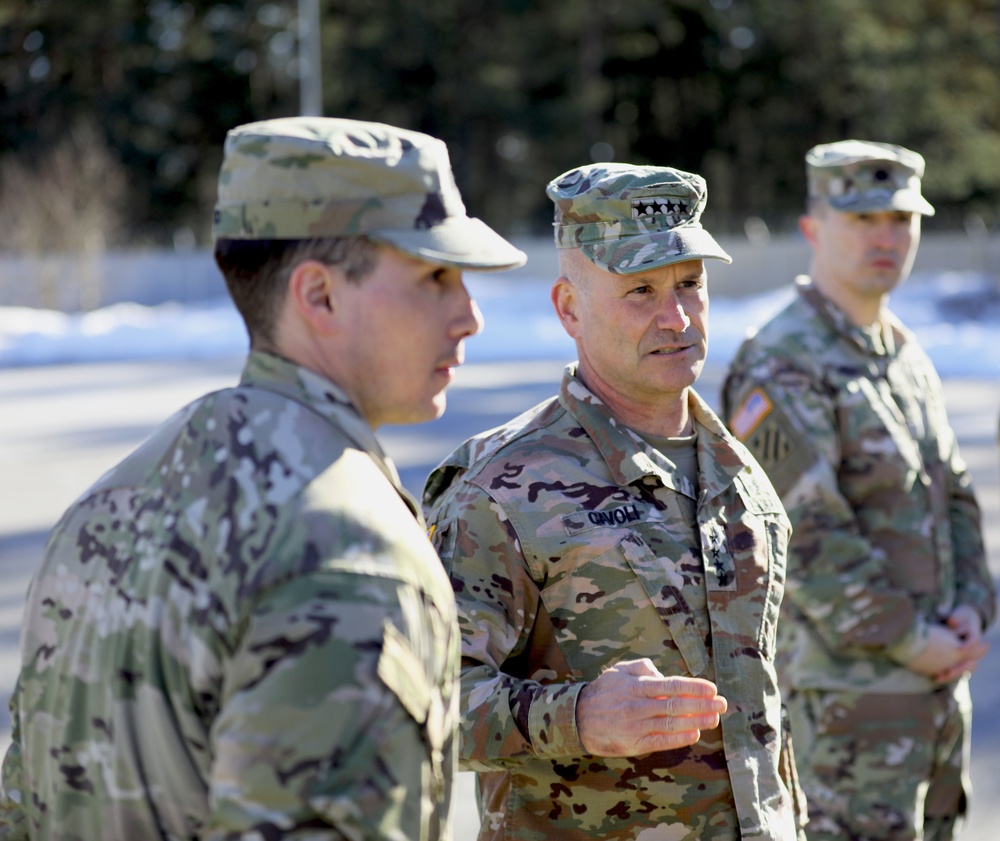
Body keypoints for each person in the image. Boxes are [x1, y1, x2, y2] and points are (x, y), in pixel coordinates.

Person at [0, 117, 526, 840]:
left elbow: (27, 803)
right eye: (435, 276)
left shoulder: (108, 503)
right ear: (319, 296)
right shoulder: (348, 550)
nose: (468, 315)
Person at [423, 163, 805, 840]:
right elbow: (422, 706)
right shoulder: (501, 487)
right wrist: (579, 717)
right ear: (569, 306)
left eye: (691, 283)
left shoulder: (736, 468)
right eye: (640, 290)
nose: (677, 315)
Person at [722, 140, 997, 841]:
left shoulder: (903, 352)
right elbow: (803, 534)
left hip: (933, 688)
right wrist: (912, 637)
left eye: (902, 220)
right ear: (814, 227)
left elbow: (955, 496)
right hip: (847, 707)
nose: (887, 236)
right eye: (864, 218)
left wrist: (970, 608)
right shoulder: (784, 359)